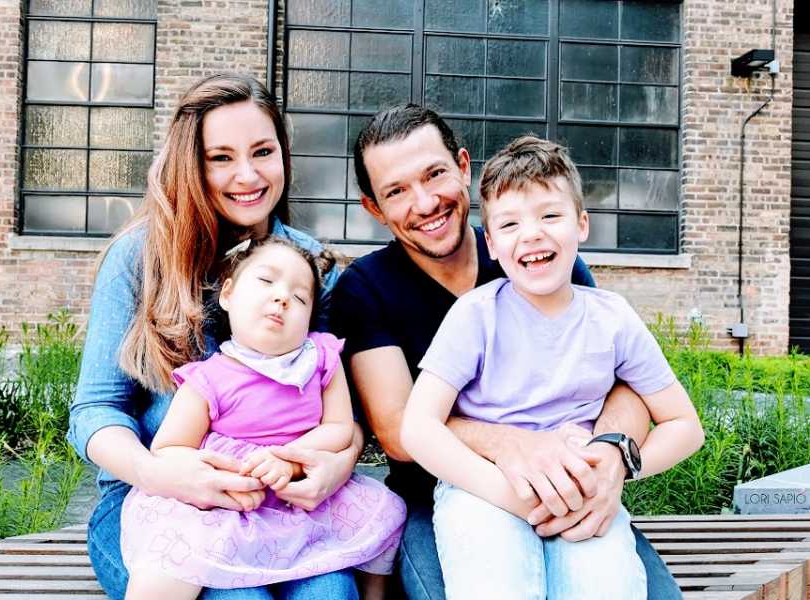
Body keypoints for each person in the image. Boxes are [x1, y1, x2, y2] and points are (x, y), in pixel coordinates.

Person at [329, 104, 685, 600]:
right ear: (374, 208)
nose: (426, 201)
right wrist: (513, 444)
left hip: (569, 483)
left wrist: (611, 460)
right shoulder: (365, 289)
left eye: (435, 174)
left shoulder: (541, 260)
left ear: (463, 166)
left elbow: (625, 385)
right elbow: (399, 432)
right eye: (396, 191)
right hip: (443, 497)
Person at [68, 74, 364, 600]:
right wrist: (162, 474)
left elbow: (341, 413)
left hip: (283, 504)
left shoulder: (310, 269)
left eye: (262, 152)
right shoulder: (139, 260)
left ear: (284, 156)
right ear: (192, 163)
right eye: (221, 157)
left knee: (331, 594)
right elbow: (95, 410)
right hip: (157, 503)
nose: (247, 175)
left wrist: (336, 465)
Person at [121, 236, 406, 600]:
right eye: (266, 281)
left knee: (384, 513)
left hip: (300, 501)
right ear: (227, 295)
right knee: (168, 562)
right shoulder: (208, 378)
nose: (282, 297)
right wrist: (221, 472)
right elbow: (169, 448)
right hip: (233, 505)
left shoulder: (321, 359)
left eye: (300, 297)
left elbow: (337, 428)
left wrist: (287, 457)